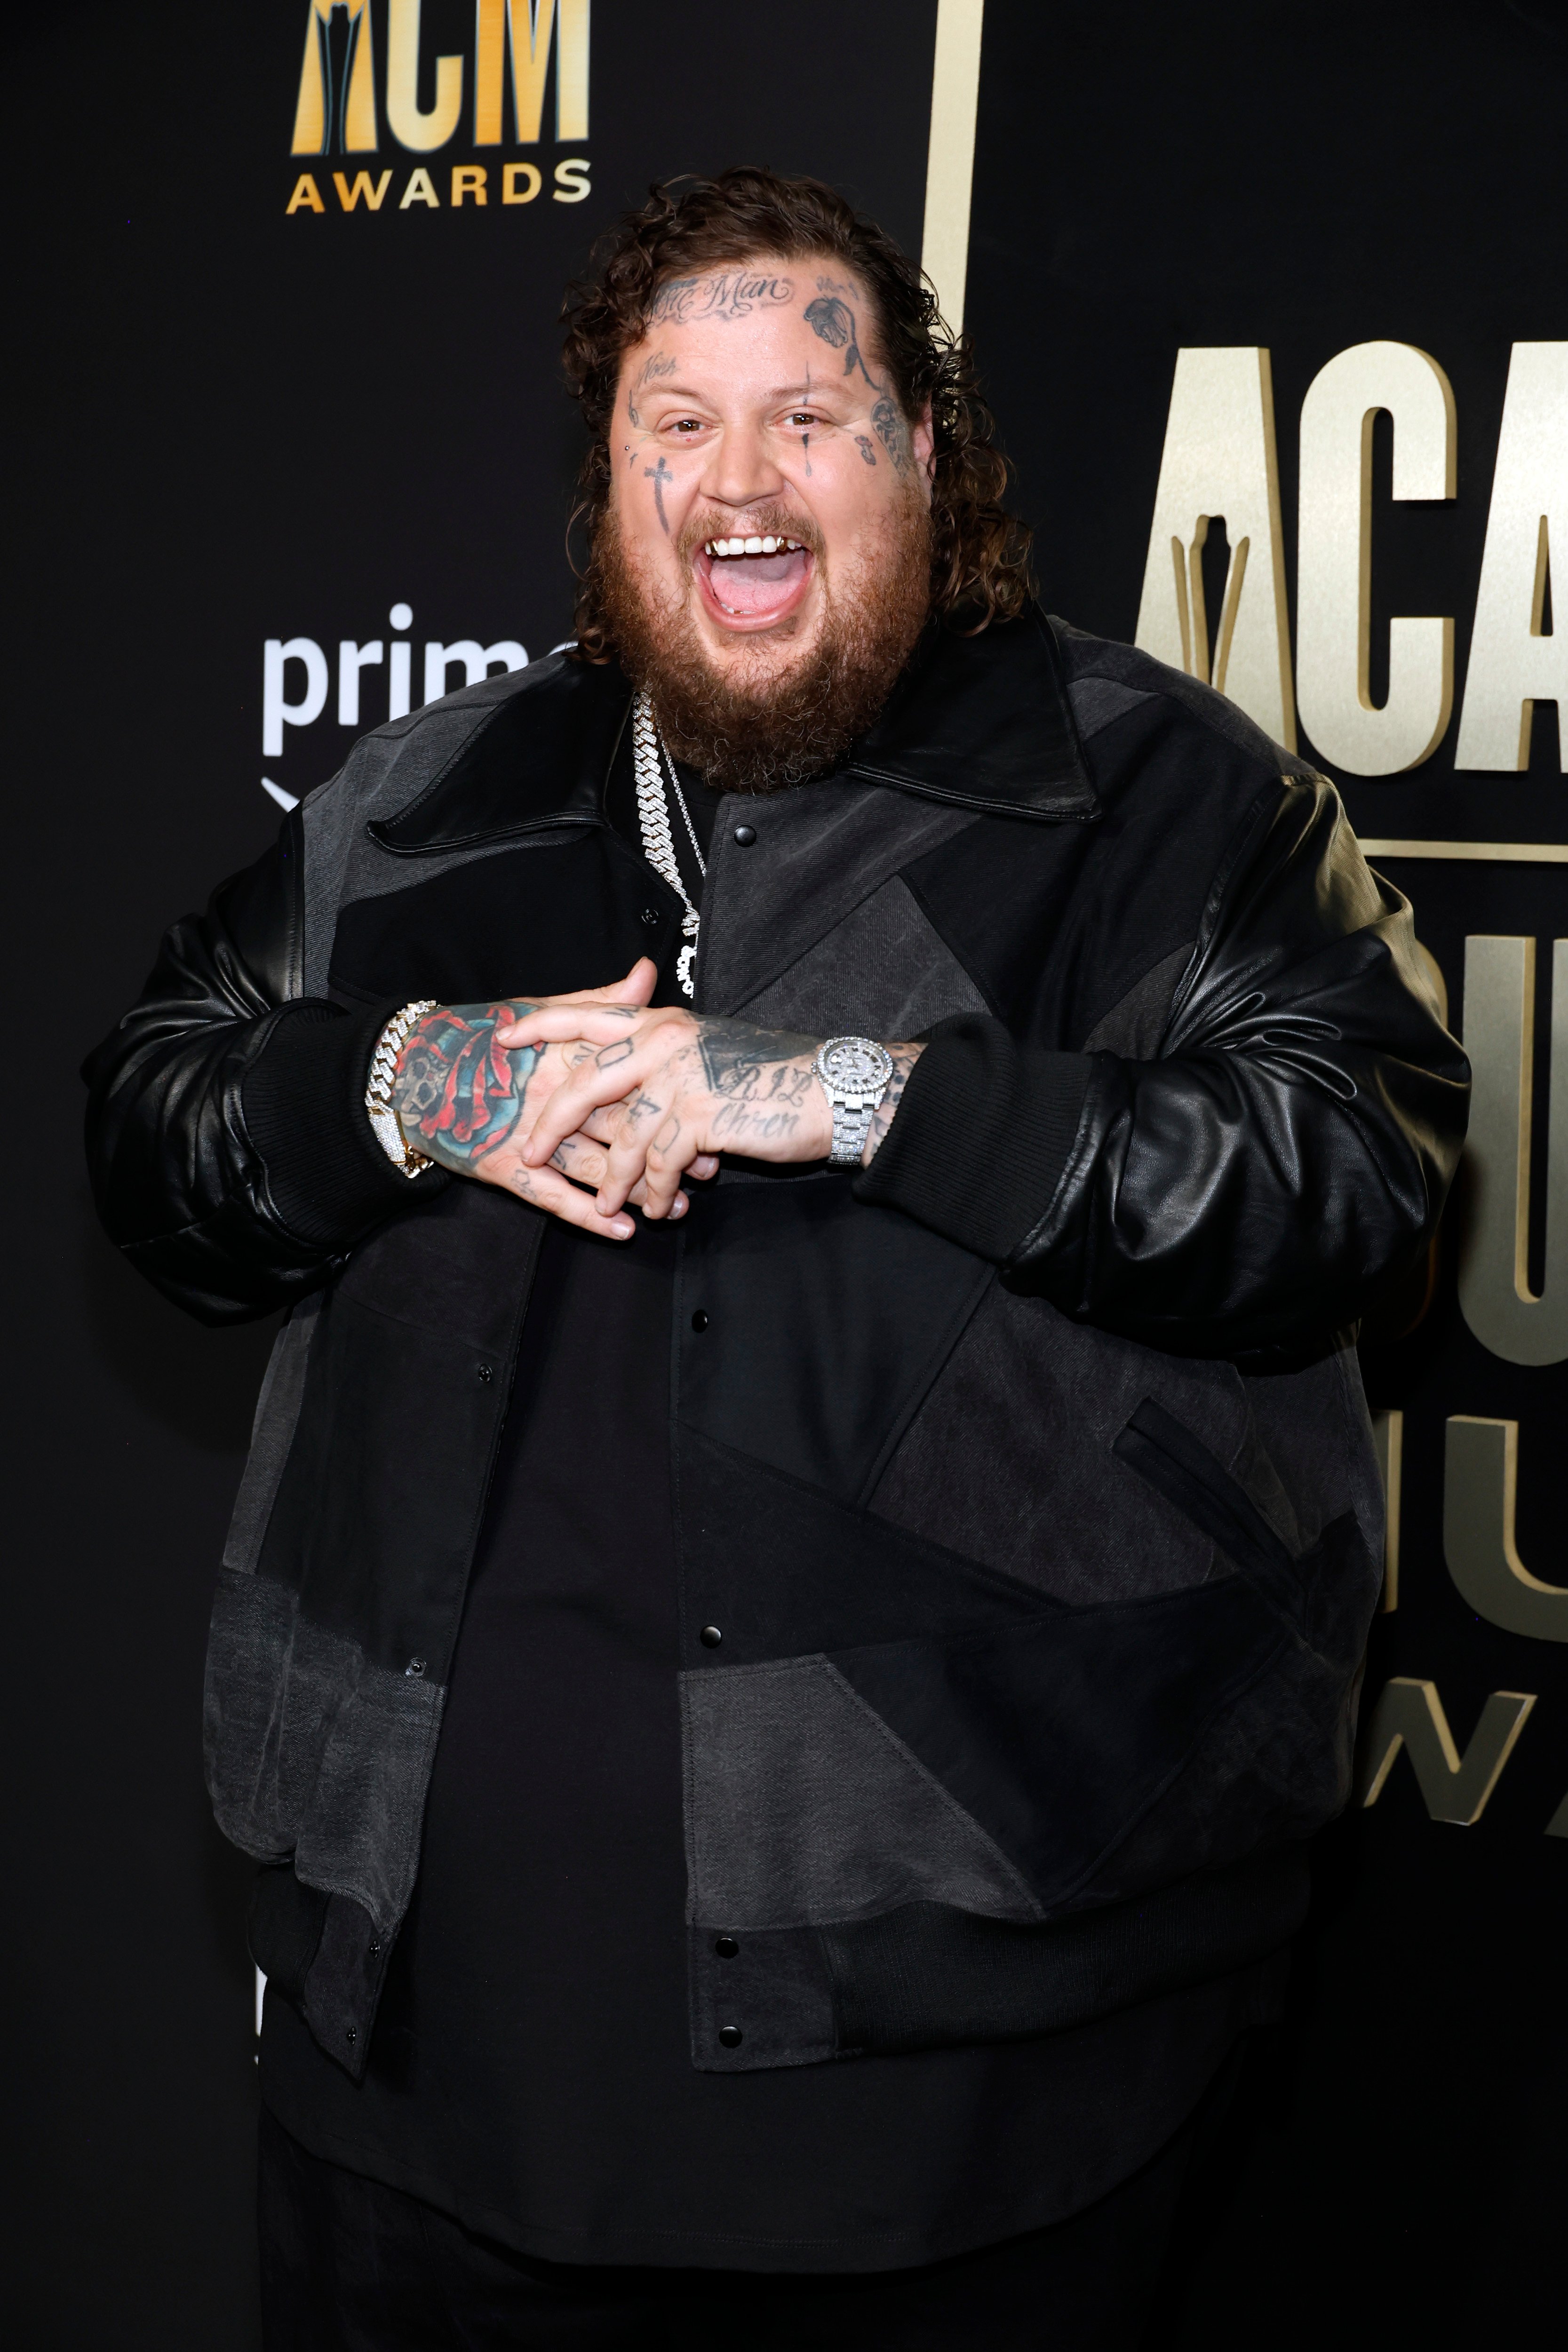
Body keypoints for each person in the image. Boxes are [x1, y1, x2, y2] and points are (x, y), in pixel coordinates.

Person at [84, 167, 1467, 2349]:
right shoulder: (429, 807)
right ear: (610, 480)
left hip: (973, 2126)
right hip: (413, 2101)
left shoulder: (1160, 800)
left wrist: (843, 1090)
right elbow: (157, 1127)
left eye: (808, 416)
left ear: (932, 460)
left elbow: (1351, 1174)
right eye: (674, 420)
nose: (738, 477)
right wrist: (412, 1082)